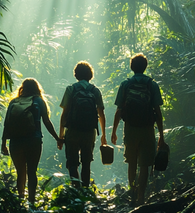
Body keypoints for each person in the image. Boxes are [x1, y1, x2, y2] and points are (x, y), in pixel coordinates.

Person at [111, 53, 166, 205]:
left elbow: (119, 110)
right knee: (145, 164)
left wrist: (114, 131)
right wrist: (161, 134)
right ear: (145, 66)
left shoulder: (125, 85)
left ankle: (133, 191)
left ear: (132, 67)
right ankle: (141, 196)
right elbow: (158, 112)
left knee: (132, 162)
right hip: (148, 129)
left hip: (131, 129)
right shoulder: (152, 85)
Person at [1, 78, 62, 206]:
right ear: (37, 88)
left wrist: (3, 144)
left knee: (20, 172)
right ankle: (32, 202)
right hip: (33, 140)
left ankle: (20, 199)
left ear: (22, 88)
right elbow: (46, 122)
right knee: (32, 171)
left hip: (15, 142)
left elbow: (7, 124)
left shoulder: (14, 102)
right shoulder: (38, 101)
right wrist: (57, 138)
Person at [59, 61, 107, 187]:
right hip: (89, 132)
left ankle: (76, 190)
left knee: (72, 163)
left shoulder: (71, 89)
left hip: (73, 131)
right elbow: (101, 114)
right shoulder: (95, 91)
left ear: (76, 74)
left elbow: (64, 114)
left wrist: (61, 134)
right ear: (90, 75)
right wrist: (103, 135)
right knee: (87, 162)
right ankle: (85, 190)